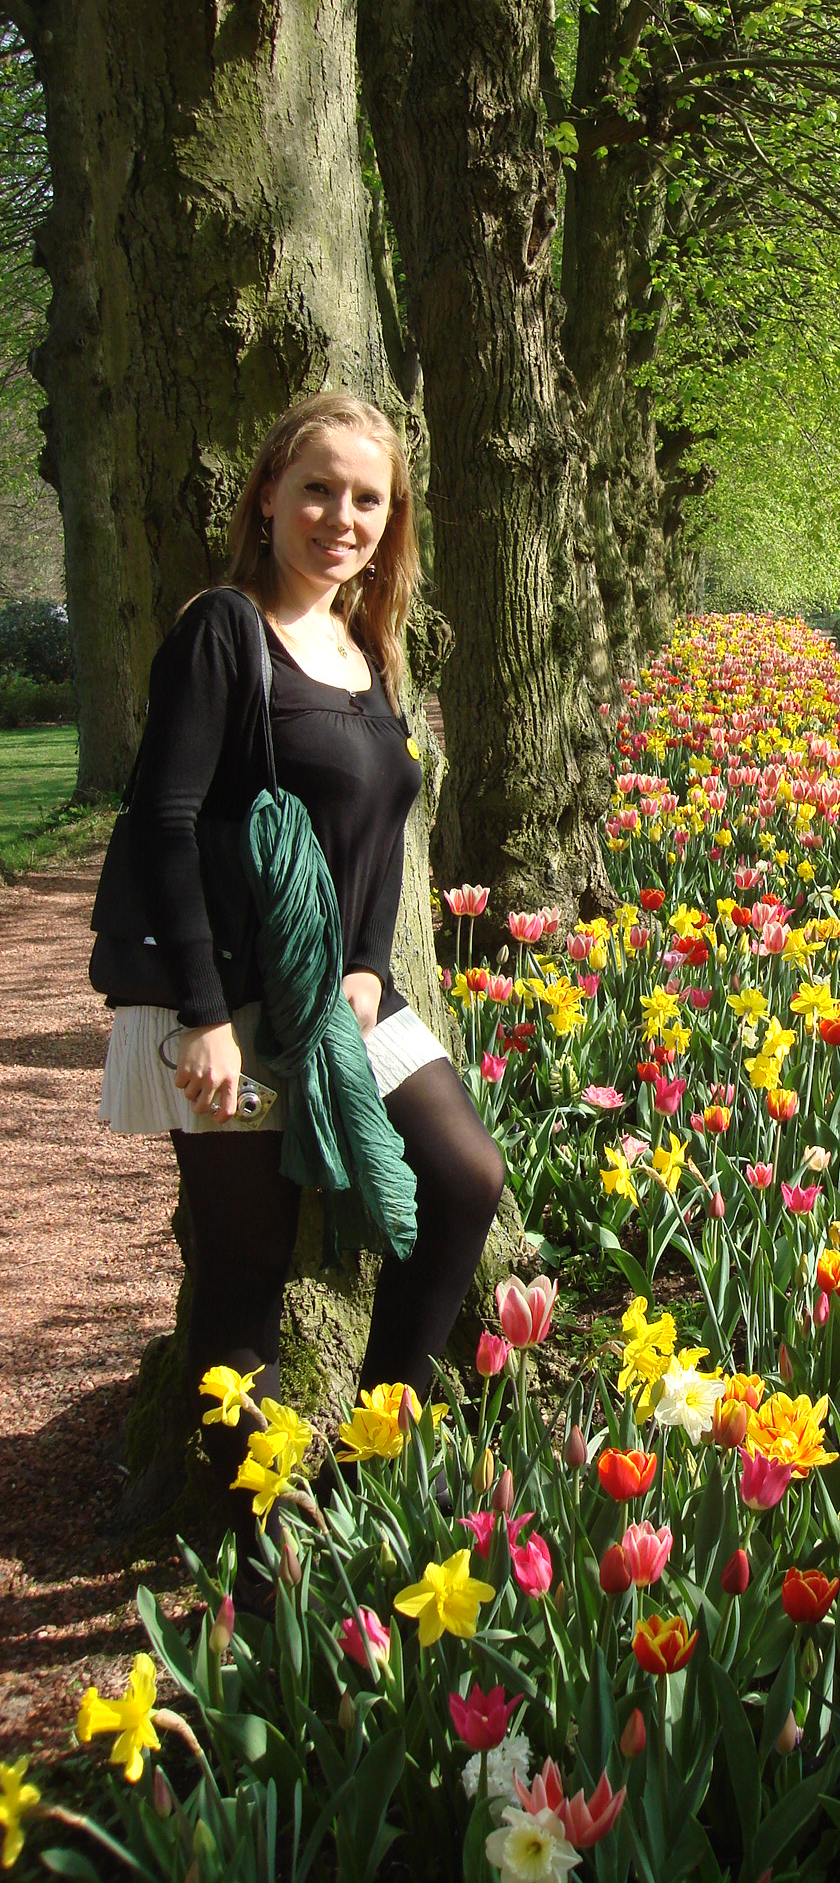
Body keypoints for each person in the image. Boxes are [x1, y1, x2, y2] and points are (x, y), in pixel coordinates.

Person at [95, 391, 505, 1571]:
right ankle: (261, 1543)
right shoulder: (223, 630)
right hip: (224, 992)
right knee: (245, 1276)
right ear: (268, 493)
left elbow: (383, 834)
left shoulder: (369, 646)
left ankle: (372, 1457)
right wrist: (203, 1019)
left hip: (339, 993)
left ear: (393, 519)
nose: (340, 516)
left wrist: (371, 965)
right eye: (318, 488)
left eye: (367, 498)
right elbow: (166, 820)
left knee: (464, 1176)